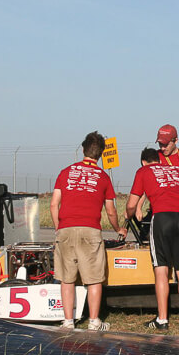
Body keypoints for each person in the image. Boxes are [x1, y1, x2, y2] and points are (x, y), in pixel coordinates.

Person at [126, 124, 179, 333]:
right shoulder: (172, 170)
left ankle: (162, 319)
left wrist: (131, 210)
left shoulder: (146, 170)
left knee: (161, 270)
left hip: (163, 217)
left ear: (176, 141)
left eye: (165, 143)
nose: (162, 147)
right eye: (159, 144)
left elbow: (134, 201)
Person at [50, 131, 127, 331]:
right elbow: (110, 211)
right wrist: (119, 228)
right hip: (90, 230)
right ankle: (94, 321)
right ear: (100, 154)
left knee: (67, 278)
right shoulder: (103, 177)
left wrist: (59, 229)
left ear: (83, 149)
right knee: (94, 278)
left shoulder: (65, 172)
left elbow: (54, 204)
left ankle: (68, 321)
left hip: (65, 229)